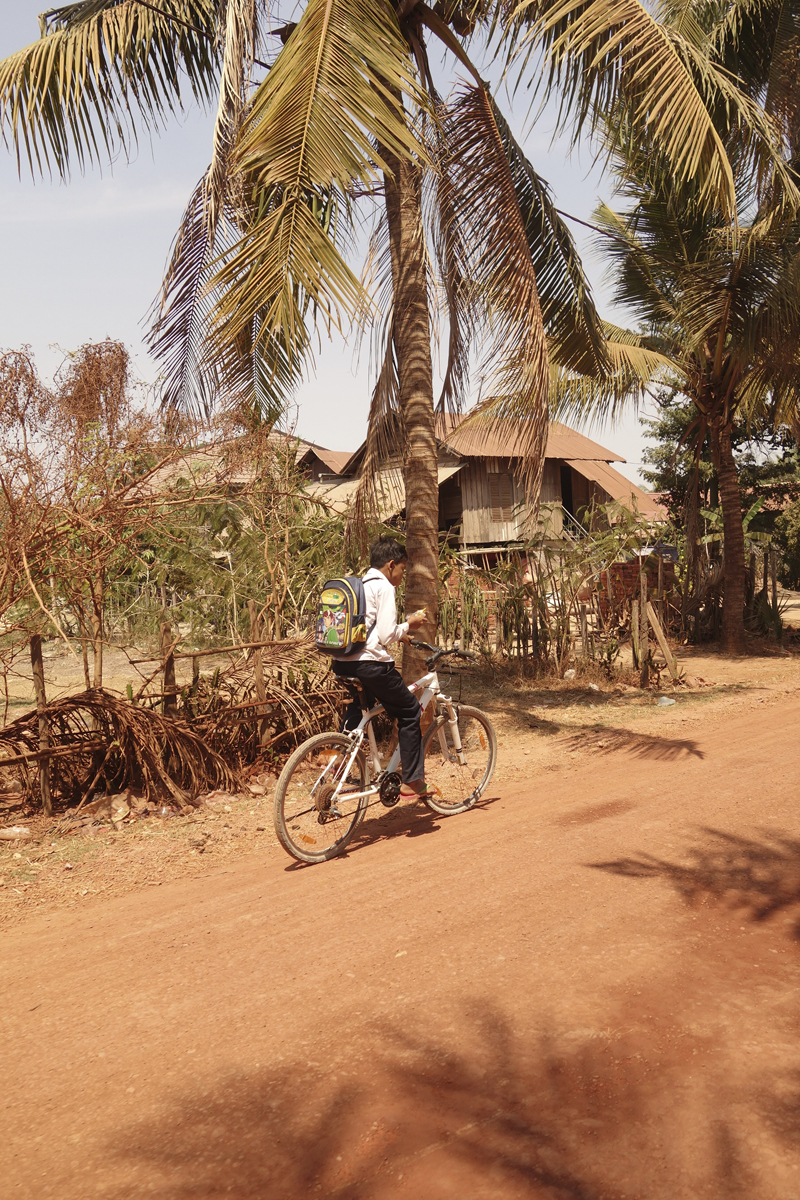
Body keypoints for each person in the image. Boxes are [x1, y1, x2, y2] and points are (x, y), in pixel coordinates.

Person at [331, 536, 432, 797]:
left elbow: (373, 628)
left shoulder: (360, 584)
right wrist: (410, 624)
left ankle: (338, 765)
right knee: (409, 711)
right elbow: (386, 636)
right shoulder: (385, 587)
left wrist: (402, 634)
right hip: (371, 666)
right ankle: (413, 778)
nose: (402, 575)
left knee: (359, 709)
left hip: (343, 663)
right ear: (391, 565)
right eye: (402, 569)